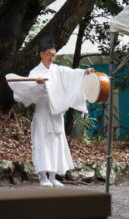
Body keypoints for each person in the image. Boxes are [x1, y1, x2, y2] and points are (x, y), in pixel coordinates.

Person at [6, 35, 94, 187]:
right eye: (48, 55)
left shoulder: (58, 70)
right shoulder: (35, 72)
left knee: (55, 143)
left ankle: (53, 176)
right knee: (42, 143)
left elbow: (72, 73)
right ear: (41, 54)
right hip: (42, 112)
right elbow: (30, 92)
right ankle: (43, 177)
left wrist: (84, 72)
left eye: (53, 55)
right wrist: (38, 84)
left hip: (56, 113)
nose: (51, 58)